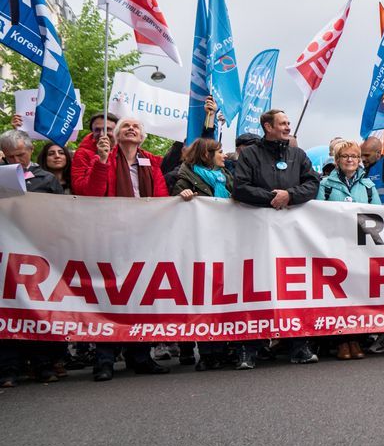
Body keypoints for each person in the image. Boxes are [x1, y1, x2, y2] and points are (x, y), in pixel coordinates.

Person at [72, 116, 171, 380]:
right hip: (111, 235)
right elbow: (90, 193)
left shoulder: (150, 162)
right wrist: (102, 162)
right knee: (110, 296)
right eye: (125, 126)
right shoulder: (101, 157)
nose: (131, 129)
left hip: (143, 236)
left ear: (142, 137)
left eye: (136, 127)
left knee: (140, 294)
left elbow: (160, 197)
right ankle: (104, 360)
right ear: (116, 135)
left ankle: (140, 356)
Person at [233, 109, 321, 363]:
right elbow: (240, 187)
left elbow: (312, 184)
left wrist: (290, 195)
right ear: (267, 126)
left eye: (288, 123)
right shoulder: (250, 155)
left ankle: (298, 346)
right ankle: (250, 349)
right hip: (256, 234)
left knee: (293, 289)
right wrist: (273, 198)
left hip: (291, 236)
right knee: (256, 288)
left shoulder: (298, 154)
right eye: (282, 123)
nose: (287, 127)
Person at [172, 137, 252, 370]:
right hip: (200, 245)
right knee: (204, 295)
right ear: (207, 155)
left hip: (227, 244)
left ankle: (224, 348)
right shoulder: (184, 177)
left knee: (225, 295)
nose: (224, 156)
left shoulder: (227, 177)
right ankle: (207, 352)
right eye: (219, 152)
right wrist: (183, 195)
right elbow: (175, 203)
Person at [0, 130, 65, 388]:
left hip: (38, 254)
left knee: (37, 310)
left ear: (29, 150)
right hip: (6, 256)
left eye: (22, 154)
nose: (18, 160)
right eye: (12, 156)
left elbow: (63, 213)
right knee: (8, 311)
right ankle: (8, 368)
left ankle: (43, 365)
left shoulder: (46, 179)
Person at [316, 139, 375, 360]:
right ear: (337, 160)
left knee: (357, 293)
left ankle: (355, 338)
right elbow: (318, 213)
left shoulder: (368, 186)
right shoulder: (326, 185)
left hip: (359, 247)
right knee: (338, 294)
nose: (350, 160)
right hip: (335, 247)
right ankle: (341, 340)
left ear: (360, 160)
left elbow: (378, 215)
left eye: (354, 156)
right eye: (345, 156)